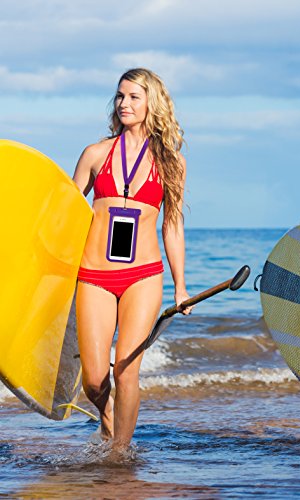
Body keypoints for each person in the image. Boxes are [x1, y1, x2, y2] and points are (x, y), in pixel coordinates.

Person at [73, 68, 191, 453]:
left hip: (144, 276)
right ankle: (107, 414)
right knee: (94, 380)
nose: (124, 103)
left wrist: (181, 286)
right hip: (94, 276)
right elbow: (68, 215)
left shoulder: (171, 162)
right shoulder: (95, 154)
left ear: (151, 103)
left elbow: (172, 226)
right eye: (120, 96)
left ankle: (120, 454)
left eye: (134, 97)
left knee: (126, 369)